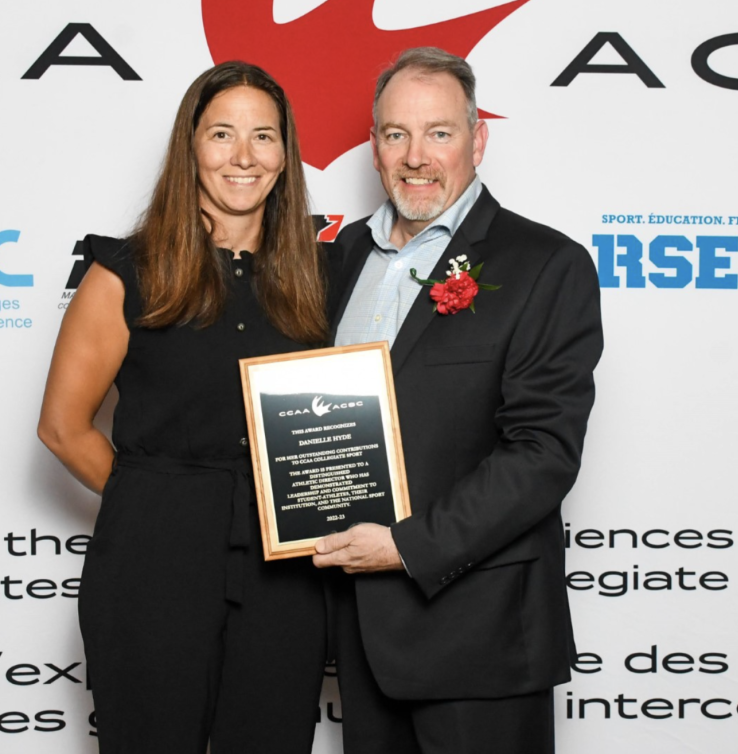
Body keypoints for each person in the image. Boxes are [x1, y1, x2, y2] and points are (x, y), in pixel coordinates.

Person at [313, 47, 604, 754]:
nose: (416, 156)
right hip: (359, 635)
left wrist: (407, 547)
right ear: (375, 148)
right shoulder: (334, 258)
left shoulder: (545, 264)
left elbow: (542, 453)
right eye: (394, 134)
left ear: (477, 140)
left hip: (481, 638)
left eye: (439, 133)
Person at [37, 61, 331, 754]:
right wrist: (158, 501)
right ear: (190, 146)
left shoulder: (321, 278)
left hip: (282, 571)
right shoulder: (125, 272)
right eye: (221, 134)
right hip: (153, 565)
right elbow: (61, 427)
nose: (243, 157)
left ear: (285, 155)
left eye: (264, 136)